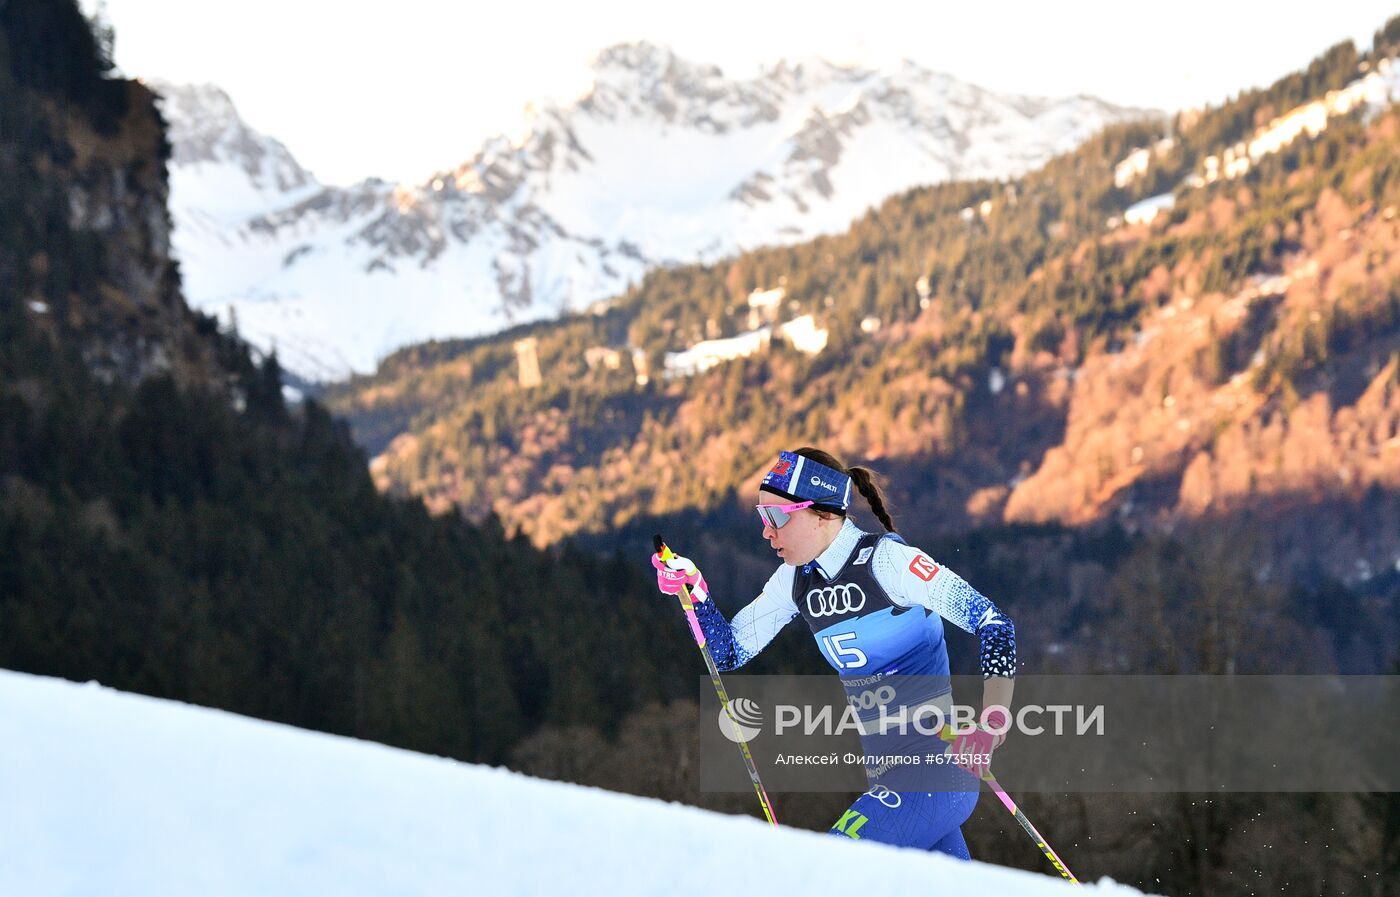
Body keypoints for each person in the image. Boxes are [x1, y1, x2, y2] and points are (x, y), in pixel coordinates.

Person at [651, 447, 1017, 859]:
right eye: (761, 516)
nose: (766, 532)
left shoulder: (890, 563)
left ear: (824, 513)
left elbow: (994, 623)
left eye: (776, 517)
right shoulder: (793, 581)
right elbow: (727, 652)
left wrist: (992, 721)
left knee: (829, 867)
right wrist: (696, 591)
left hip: (936, 774)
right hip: (889, 782)